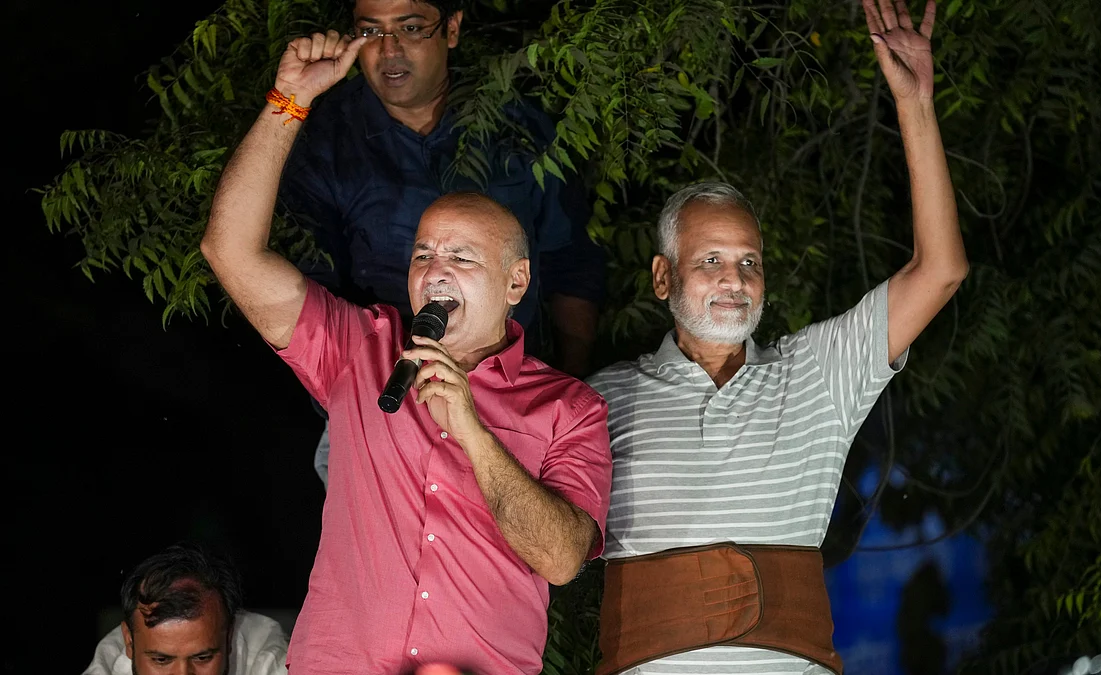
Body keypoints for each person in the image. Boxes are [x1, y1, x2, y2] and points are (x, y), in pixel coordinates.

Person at [200, 28, 612, 674]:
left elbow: (561, 559)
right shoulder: (359, 349)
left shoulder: (569, 407)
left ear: (516, 283)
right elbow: (230, 253)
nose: (435, 270)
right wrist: (289, 100)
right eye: (423, 254)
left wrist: (472, 431)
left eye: (461, 257)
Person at [584, 1, 969, 673]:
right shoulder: (600, 398)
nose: (733, 280)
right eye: (709, 261)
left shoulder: (816, 373)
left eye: (749, 262)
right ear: (661, 277)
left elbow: (939, 270)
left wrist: (916, 104)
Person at [278, 0, 606, 486]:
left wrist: (570, 381)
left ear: (451, 28)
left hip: (514, 397)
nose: (390, 50)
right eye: (371, 32)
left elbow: (570, 261)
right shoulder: (326, 140)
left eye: (410, 28)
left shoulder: (518, 123)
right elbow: (307, 296)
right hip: (385, 399)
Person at [83, 543, 288, 675]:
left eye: (202, 658)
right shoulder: (107, 668)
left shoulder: (265, 654)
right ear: (129, 642)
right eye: (161, 660)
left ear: (229, 638)